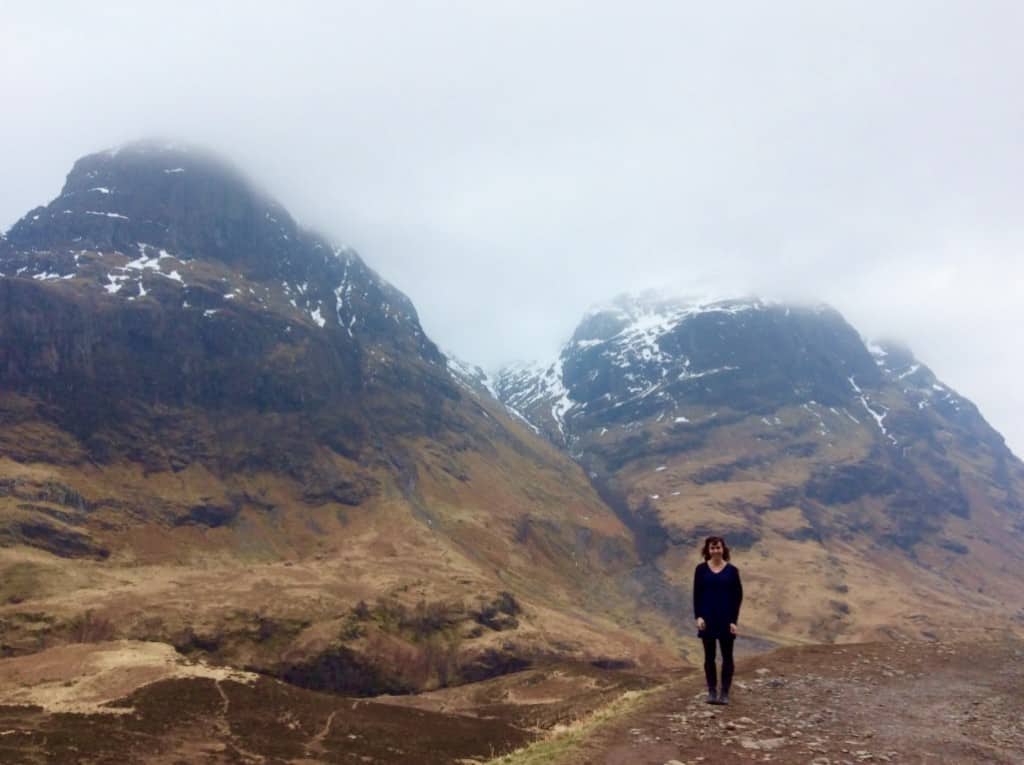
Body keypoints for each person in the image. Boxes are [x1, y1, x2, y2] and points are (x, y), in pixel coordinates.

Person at [693, 535, 743, 705]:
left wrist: (734, 621)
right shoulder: (700, 570)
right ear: (708, 550)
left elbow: (737, 597)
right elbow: (697, 594)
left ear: (723, 549)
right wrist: (698, 616)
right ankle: (712, 691)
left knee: (727, 657)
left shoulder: (732, 571)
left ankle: (725, 693)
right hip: (707, 619)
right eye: (712, 548)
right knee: (709, 657)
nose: (715, 551)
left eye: (718, 547)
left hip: (725, 619)